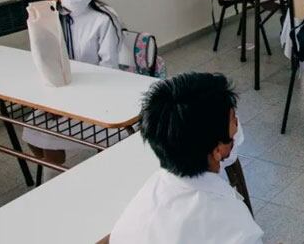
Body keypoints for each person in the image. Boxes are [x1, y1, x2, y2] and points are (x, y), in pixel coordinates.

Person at [109, 72, 262, 244]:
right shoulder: (238, 228)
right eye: (234, 120)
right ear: (218, 150)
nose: (237, 126)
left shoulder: (135, 213)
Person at [22, 0, 122, 179]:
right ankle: (56, 177)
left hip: (98, 94)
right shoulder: (48, 19)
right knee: (30, 130)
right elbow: (45, 62)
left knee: (48, 138)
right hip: (62, 92)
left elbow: (110, 69)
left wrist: (73, 100)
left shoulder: (103, 17)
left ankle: (54, 180)